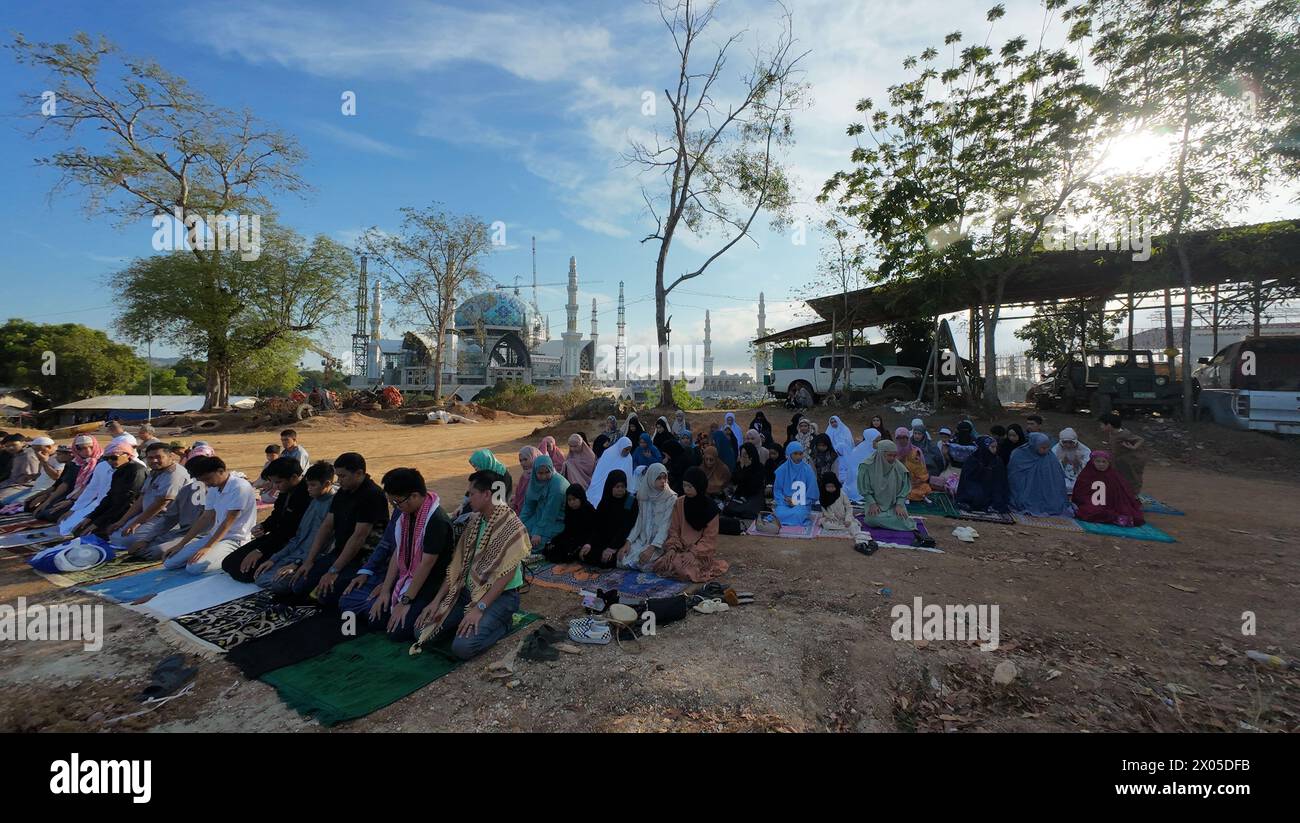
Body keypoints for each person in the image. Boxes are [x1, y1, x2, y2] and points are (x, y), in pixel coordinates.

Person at [412, 470, 530, 660]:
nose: (468, 499)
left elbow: (506, 576)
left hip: (500, 597)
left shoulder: (510, 526)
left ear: (487, 495)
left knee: (463, 648)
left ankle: (504, 623)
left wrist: (479, 608)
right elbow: (457, 567)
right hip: (467, 592)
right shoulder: (475, 522)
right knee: (421, 632)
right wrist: (436, 601)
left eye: (471, 494)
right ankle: (464, 618)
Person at [362, 468, 456, 641]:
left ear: (414, 496)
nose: (396, 508)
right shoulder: (406, 513)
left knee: (396, 631)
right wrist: (385, 589)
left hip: (429, 584)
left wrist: (405, 602)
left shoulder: (436, 521)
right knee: (372, 616)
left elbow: (426, 564)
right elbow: (399, 553)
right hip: (407, 577)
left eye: (397, 503)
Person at [288, 452, 388, 606]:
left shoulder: (372, 495)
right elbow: (326, 526)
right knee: (299, 585)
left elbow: (358, 538)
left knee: (325, 595)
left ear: (359, 473)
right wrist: (309, 561)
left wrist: (333, 571)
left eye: (342, 476)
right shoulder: (343, 492)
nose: (339, 481)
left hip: (363, 558)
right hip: (340, 552)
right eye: (338, 476)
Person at [221, 456, 312, 582]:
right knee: (228, 563)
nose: (275, 486)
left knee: (243, 573)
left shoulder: (306, 495)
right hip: (275, 537)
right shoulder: (286, 490)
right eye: (274, 482)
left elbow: (290, 530)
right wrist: (264, 526)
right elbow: (276, 516)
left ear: (294, 477)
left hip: (290, 542)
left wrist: (261, 550)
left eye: (278, 482)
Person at [161, 455, 257, 574]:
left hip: (235, 539)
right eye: (203, 480)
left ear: (220, 471)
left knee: (194, 568)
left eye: (207, 479)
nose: (206, 483)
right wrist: (181, 544)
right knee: (169, 562)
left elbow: (228, 522)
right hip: (214, 536)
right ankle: (213, 555)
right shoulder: (214, 488)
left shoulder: (239, 487)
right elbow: (206, 517)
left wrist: (208, 547)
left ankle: (234, 554)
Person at [256, 461, 337, 592]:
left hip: (315, 559)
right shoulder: (314, 501)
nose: (308, 489)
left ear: (327, 484)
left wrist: (298, 563)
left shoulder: (335, 505)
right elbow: (298, 537)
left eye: (313, 485)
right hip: (298, 554)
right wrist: (274, 559)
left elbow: (328, 547)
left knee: (279, 583)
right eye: (308, 485)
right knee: (260, 575)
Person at [107, 441, 191, 553]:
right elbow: (141, 499)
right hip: (148, 516)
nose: (154, 461)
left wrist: (136, 523)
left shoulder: (174, 474)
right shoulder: (155, 472)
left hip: (166, 519)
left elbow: (161, 504)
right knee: (115, 535)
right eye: (150, 458)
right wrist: (122, 521)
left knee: (126, 540)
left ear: (170, 456)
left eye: (158, 457)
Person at [652, 466, 726, 583]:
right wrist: (672, 548)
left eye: (690, 486)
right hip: (680, 549)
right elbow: (674, 529)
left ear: (699, 486)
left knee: (684, 570)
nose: (686, 490)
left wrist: (693, 553)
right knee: (661, 564)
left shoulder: (711, 509)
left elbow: (709, 539)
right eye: (684, 485)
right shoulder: (680, 503)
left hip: (700, 553)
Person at [857, 441, 929, 542]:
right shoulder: (866, 467)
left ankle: (893, 521)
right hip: (875, 504)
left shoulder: (900, 468)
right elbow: (864, 489)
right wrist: (872, 503)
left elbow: (904, 489)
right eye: (889, 455)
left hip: (894, 505)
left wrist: (899, 504)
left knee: (902, 518)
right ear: (881, 454)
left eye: (894, 456)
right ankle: (892, 522)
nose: (892, 458)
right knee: (871, 520)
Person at [71, 442, 146, 538]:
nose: (110, 461)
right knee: (80, 529)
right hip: (114, 511)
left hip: (127, 514)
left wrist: (97, 523)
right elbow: (110, 497)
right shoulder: (118, 470)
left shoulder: (137, 471)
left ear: (127, 455)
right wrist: (90, 518)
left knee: (92, 535)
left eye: (114, 458)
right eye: (106, 458)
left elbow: (127, 501)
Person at [617, 463, 677, 571]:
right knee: (620, 560)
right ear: (650, 478)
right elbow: (639, 522)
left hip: (659, 542)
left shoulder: (670, 498)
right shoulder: (643, 495)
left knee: (642, 564)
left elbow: (665, 526)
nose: (663, 481)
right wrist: (628, 542)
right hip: (643, 539)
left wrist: (652, 548)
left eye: (664, 478)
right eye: (658, 478)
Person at [1071, 451, 1145, 527]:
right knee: (1088, 511)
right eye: (1098, 461)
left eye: (1104, 462)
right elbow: (1079, 493)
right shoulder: (1086, 474)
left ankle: (1116, 518)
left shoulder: (1114, 476)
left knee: (1123, 511)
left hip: (1110, 504)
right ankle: (1114, 518)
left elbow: (1121, 492)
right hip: (1092, 503)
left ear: (1108, 463)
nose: (1101, 464)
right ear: (1092, 462)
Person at [1007, 432, 1072, 517]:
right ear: (1033, 445)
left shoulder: (1050, 457)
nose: (1046, 450)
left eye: (1048, 447)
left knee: (1055, 504)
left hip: (1047, 493)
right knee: (1023, 502)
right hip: (1024, 491)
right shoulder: (1019, 455)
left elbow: (1057, 479)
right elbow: (1014, 477)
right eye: (1043, 448)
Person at [584, 469, 638, 567]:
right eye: (617, 487)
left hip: (621, 541)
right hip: (604, 539)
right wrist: (589, 543)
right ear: (610, 486)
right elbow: (597, 525)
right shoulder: (605, 501)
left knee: (610, 560)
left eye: (623, 486)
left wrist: (613, 547)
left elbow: (627, 526)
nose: (620, 490)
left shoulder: (630, 501)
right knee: (587, 554)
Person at [519, 453, 569, 552]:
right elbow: (528, 506)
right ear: (535, 472)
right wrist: (518, 524)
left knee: (536, 542)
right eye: (540, 473)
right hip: (540, 515)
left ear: (552, 469)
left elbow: (550, 513)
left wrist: (538, 532)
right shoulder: (534, 482)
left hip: (557, 519)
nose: (544, 476)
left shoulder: (557, 486)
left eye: (547, 472)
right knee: (520, 533)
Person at [816, 471, 871, 551]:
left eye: (832, 486)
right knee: (826, 525)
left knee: (852, 525)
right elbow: (824, 509)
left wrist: (847, 519)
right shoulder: (823, 496)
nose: (830, 489)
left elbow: (849, 507)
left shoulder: (841, 494)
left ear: (836, 484)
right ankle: (846, 528)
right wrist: (829, 516)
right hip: (833, 520)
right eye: (828, 487)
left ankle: (854, 532)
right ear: (824, 486)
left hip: (844, 518)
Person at [541, 485, 597, 562]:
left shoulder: (589, 510)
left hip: (587, 541)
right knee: (549, 548)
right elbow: (568, 531)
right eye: (569, 500)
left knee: (576, 554)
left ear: (580, 498)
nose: (572, 502)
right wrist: (554, 541)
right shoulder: (570, 511)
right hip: (574, 539)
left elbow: (595, 530)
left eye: (574, 499)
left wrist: (588, 543)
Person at [955, 436, 1010, 513]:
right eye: (992, 447)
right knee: (976, 495)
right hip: (974, 487)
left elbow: (1001, 480)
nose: (995, 450)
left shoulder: (997, 461)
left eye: (996, 447)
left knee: (998, 498)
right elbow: (967, 480)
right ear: (984, 447)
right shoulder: (972, 460)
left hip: (991, 488)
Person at [1098, 413, 1147, 496]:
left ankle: (1133, 497)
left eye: (1102, 424)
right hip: (1120, 460)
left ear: (1109, 425)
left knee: (1132, 478)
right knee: (1119, 477)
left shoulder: (1124, 434)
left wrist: (1134, 447)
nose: (1100, 426)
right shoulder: (1112, 433)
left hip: (1132, 461)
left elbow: (1140, 440)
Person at [0, 435, 56, 505]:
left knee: (5, 502)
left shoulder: (29, 455)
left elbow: (31, 477)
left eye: (14, 445)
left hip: (23, 485)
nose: (10, 448)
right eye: (7, 446)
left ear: (23, 443)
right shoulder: (16, 454)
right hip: (12, 483)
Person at [773, 441, 817, 526]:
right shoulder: (782, 470)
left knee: (798, 514)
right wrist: (785, 500)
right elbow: (777, 490)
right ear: (789, 454)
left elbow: (812, 492)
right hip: (785, 503)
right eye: (795, 454)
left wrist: (798, 502)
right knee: (779, 514)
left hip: (802, 504)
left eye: (800, 454)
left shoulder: (807, 470)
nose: (798, 457)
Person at [722, 442, 765, 520]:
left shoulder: (759, 467)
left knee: (750, 511)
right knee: (727, 510)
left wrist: (748, 470)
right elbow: (735, 480)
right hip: (740, 496)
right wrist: (742, 469)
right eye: (742, 455)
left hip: (754, 496)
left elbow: (753, 487)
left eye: (745, 454)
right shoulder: (740, 465)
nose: (743, 457)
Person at [586, 436, 633, 507]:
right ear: (621, 447)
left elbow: (629, 476)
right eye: (626, 449)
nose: (627, 452)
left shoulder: (629, 458)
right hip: (604, 484)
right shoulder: (608, 453)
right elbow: (600, 471)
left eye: (629, 450)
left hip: (621, 487)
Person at [894, 426, 932, 502]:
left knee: (923, 488)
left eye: (905, 438)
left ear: (908, 438)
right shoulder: (893, 451)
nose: (902, 440)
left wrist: (918, 480)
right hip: (897, 481)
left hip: (915, 482)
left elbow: (921, 469)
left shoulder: (916, 451)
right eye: (899, 438)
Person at [843, 428, 881, 503]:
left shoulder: (879, 451)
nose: (879, 443)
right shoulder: (857, 451)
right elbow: (852, 471)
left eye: (880, 441)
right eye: (876, 441)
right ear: (870, 441)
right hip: (859, 481)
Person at [1052, 427, 1092, 493]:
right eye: (1065, 442)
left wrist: (1078, 462)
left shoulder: (1084, 450)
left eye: (1071, 442)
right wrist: (1062, 462)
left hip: (1078, 473)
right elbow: (1052, 466)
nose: (1068, 445)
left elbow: (1089, 465)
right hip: (1062, 474)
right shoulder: (1056, 450)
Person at [510, 446, 539, 513]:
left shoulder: (539, 475)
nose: (522, 463)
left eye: (525, 459)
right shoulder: (525, 475)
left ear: (533, 457)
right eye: (520, 460)